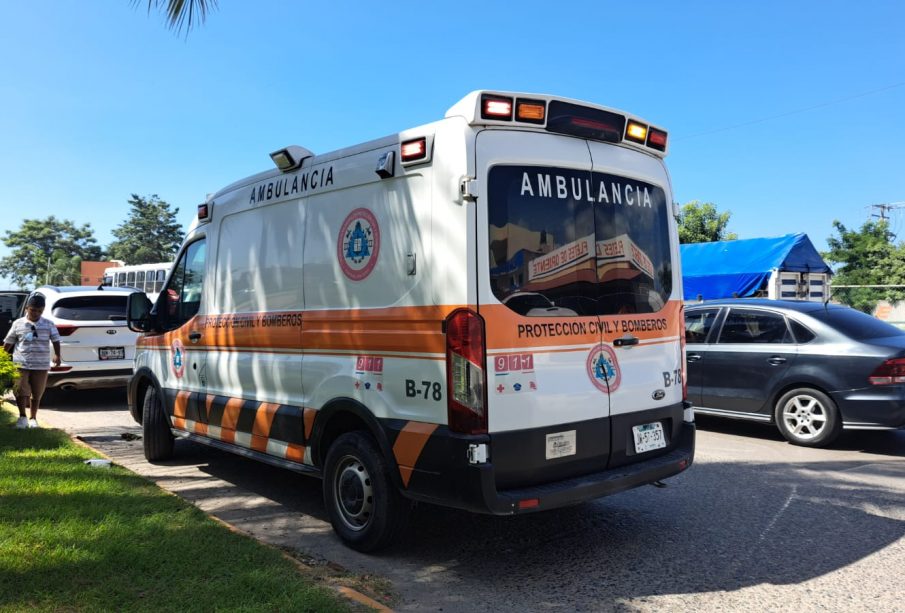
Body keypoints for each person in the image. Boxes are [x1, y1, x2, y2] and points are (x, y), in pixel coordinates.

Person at [3, 295, 61, 428]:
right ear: (27, 309)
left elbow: (56, 340)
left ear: (43, 311)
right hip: (20, 363)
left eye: (39, 311)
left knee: (37, 392)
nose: (36, 313)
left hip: (40, 365)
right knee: (20, 390)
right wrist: (2, 357)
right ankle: (22, 417)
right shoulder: (18, 324)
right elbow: (9, 342)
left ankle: (33, 418)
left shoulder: (48, 324)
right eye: (33, 310)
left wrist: (58, 355)